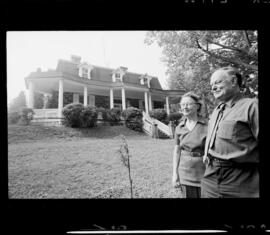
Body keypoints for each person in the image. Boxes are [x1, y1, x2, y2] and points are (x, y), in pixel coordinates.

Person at [201, 67, 259, 198]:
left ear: (233, 81)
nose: (213, 88)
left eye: (217, 82)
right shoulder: (217, 110)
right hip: (211, 177)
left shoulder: (252, 106)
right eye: (212, 85)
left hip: (241, 179)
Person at [172, 92, 207, 198]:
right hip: (185, 174)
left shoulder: (208, 125)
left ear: (197, 106)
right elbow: (177, 151)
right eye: (182, 105)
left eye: (188, 104)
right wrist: (175, 174)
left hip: (205, 173)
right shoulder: (179, 128)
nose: (185, 107)